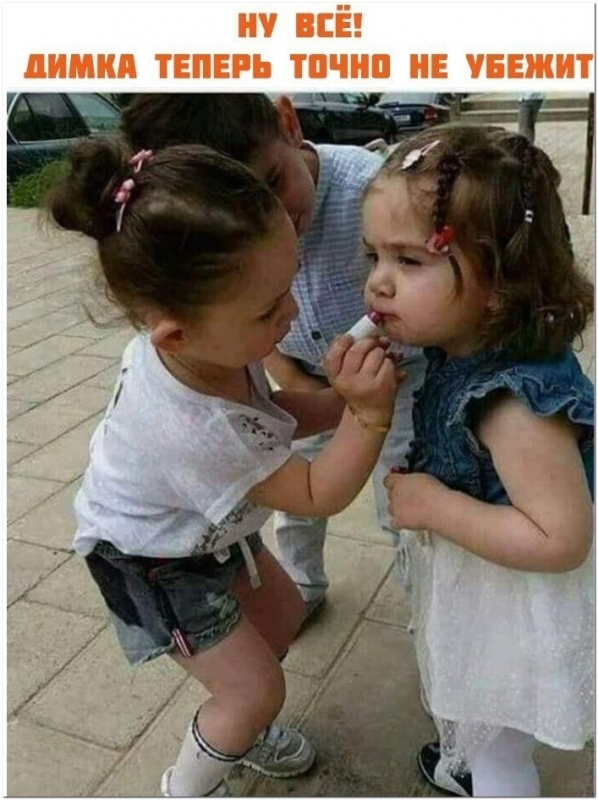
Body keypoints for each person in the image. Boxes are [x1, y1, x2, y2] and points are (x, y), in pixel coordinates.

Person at [47, 140, 400, 798]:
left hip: (205, 526)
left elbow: (267, 415)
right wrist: (368, 413)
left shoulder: (207, 349)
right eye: (269, 310)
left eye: (288, 287)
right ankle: (187, 784)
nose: (292, 313)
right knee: (254, 689)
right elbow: (315, 490)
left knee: (283, 618)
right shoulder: (193, 425)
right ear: (174, 333)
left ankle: (244, 728)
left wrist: (337, 401)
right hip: (151, 559)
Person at [120, 93, 426, 621]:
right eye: (269, 305)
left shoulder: (377, 193)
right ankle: (303, 584)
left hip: (393, 374)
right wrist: (309, 385)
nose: (277, 216)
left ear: (288, 122)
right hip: (309, 381)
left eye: (273, 182)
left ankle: (424, 603)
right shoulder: (201, 411)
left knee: (401, 498)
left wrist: (359, 400)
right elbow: (309, 490)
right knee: (294, 512)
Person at [362, 125, 594, 796]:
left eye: (409, 261)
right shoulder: (462, 344)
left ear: (499, 283)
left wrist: (436, 506)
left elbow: (562, 540)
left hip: (518, 599)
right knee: (479, 716)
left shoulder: (513, 406)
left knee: (500, 744)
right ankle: (468, 757)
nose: (377, 283)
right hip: (488, 576)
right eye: (374, 255)